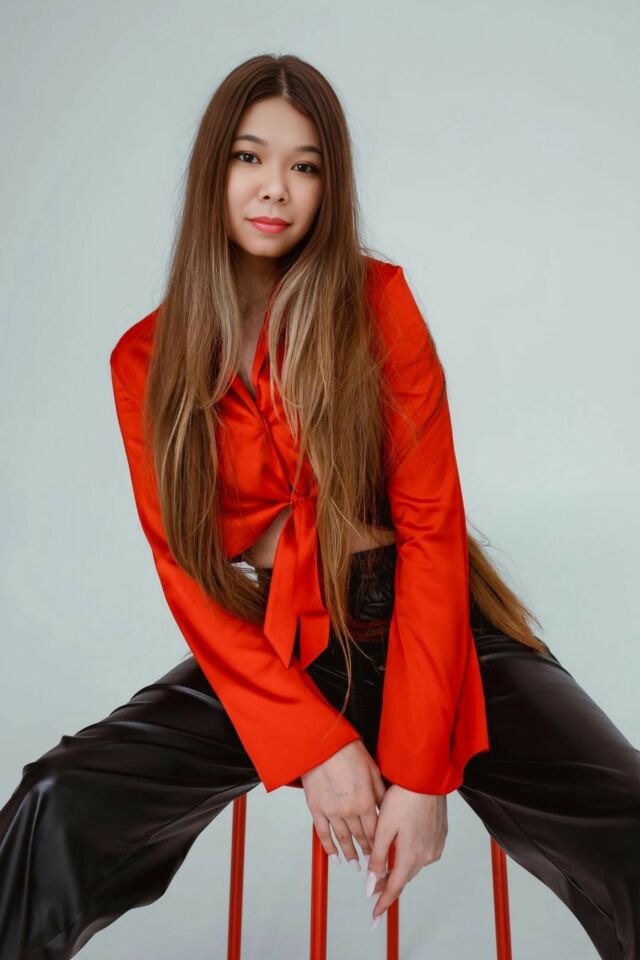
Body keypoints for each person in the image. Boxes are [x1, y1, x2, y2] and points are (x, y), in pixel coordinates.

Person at [0, 52, 638, 960]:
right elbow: (188, 577)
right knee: (54, 801)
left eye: (305, 166)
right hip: (278, 650)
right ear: (213, 171)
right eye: (249, 157)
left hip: (430, 630)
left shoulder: (378, 305)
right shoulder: (144, 360)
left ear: (330, 189)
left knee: (629, 820)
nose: (276, 188)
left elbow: (431, 532)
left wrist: (420, 773)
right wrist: (312, 744)